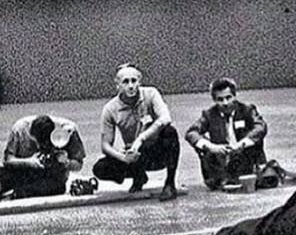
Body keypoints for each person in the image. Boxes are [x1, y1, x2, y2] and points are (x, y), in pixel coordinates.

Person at [92, 63, 179, 201]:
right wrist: (123, 157)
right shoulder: (110, 109)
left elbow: (166, 118)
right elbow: (105, 145)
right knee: (100, 168)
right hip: (134, 157)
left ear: (139, 82)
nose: (131, 86)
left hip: (155, 153)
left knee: (170, 132)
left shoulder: (151, 94)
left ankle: (170, 184)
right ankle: (138, 176)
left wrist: (141, 139)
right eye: (125, 82)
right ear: (118, 85)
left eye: (134, 81)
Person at [185, 77, 267, 190]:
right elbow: (191, 133)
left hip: (244, 157)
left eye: (228, 97)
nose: (225, 103)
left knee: (255, 138)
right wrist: (211, 147)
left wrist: (242, 144)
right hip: (221, 159)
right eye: (220, 99)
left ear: (235, 96)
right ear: (214, 100)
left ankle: (250, 173)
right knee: (202, 143)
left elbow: (261, 127)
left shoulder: (247, 110)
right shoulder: (209, 114)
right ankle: (217, 178)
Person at [0, 115, 85, 199]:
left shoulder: (69, 131)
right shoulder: (20, 129)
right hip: (23, 171)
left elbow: (79, 164)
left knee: (55, 186)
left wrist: (66, 163)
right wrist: (31, 161)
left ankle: (18, 193)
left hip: (50, 177)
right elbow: (8, 160)